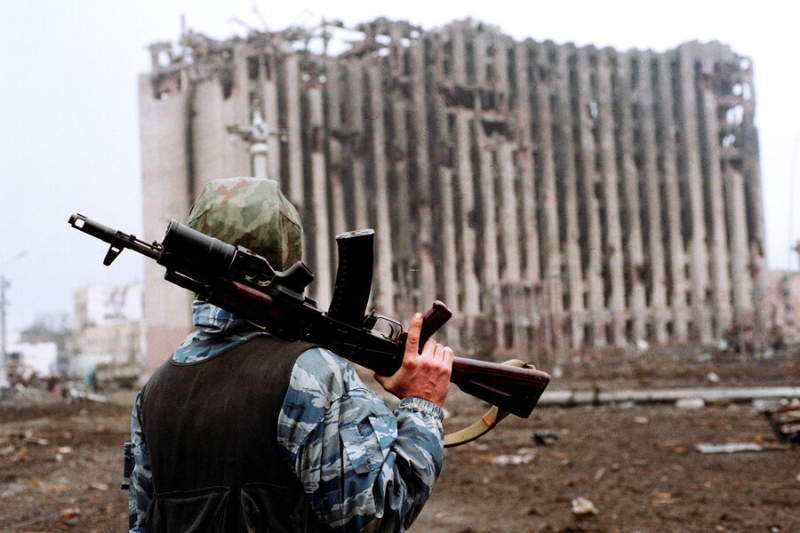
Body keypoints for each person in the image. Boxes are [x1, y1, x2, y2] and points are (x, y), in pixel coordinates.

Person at [127, 177, 454, 533]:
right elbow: (379, 516)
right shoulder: (311, 372)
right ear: (288, 251)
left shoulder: (155, 391)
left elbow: (142, 523)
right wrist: (422, 405)